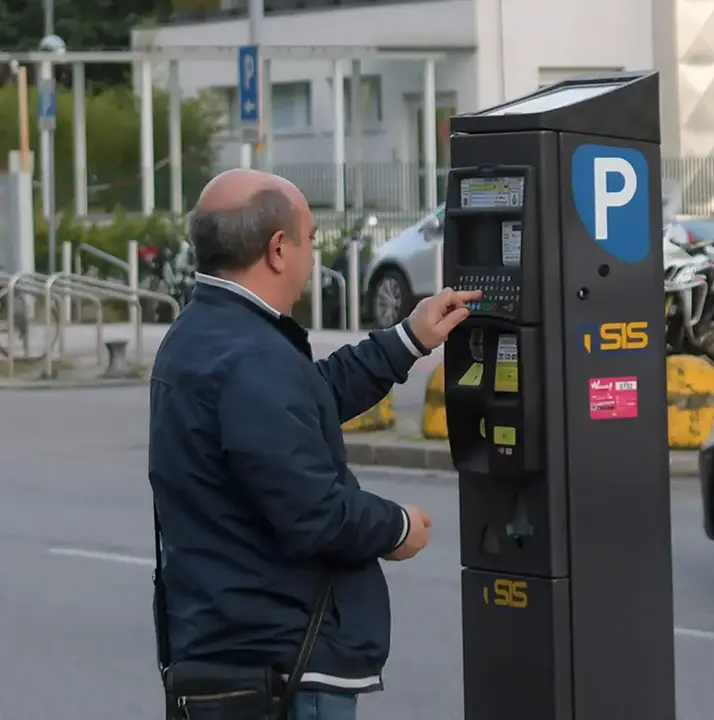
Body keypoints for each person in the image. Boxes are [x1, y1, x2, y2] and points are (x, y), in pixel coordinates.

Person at [149, 168, 479, 720]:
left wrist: (408, 339)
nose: (311, 255)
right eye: (311, 240)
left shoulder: (201, 336)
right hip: (282, 668)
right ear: (279, 249)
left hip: (225, 651)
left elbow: (303, 400)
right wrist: (397, 526)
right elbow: (314, 512)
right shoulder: (251, 357)